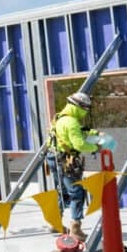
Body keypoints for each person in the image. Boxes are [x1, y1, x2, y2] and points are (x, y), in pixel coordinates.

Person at [50, 92, 100, 241]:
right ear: (78, 107)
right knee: (77, 192)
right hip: (66, 160)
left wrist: (91, 133)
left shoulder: (59, 118)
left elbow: (73, 134)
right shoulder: (71, 122)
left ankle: (55, 223)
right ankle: (76, 229)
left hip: (54, 157)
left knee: (62, 191)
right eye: (85, 108)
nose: (86, 111)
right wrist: (95, 147)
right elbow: (79, 144)